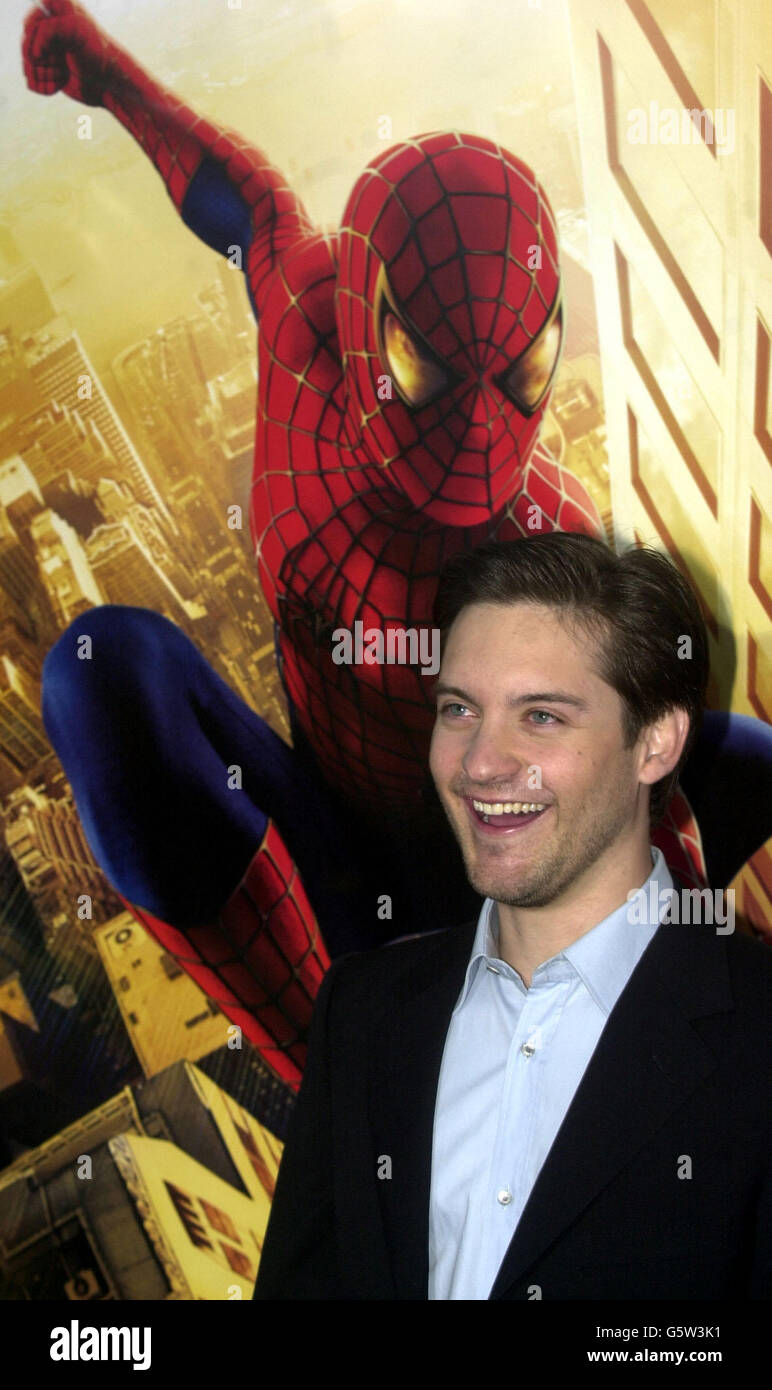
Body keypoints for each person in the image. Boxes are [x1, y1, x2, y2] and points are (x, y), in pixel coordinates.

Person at [254, 532, 772, 1300]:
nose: (480, 763)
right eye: (459, 709)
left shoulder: (759, 1032)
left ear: (655, 740)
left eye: (541, 718)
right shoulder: (362, 1013)